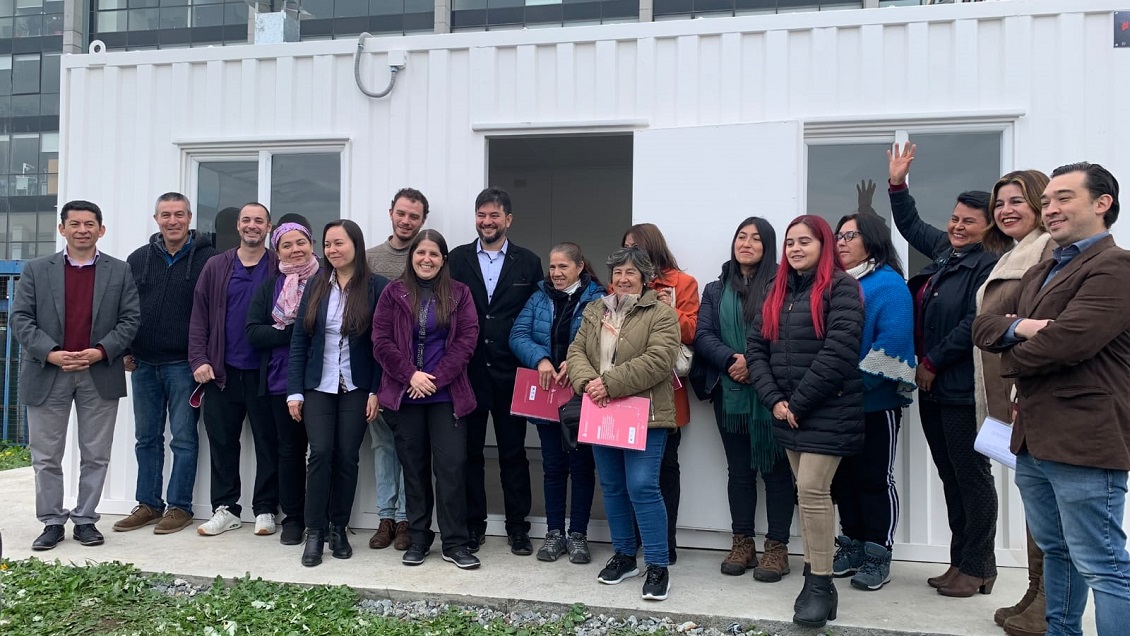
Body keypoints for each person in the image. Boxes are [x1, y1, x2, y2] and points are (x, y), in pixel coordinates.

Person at [974, 162, 1130, 636]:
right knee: (1057, 550)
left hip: (1085, 439)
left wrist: (1011, 352)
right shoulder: (1043, 267)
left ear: (1102, 204)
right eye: (1048, 201)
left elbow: (1071, 342)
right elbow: (983, 326)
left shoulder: (1115, 266)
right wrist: (1019, 326)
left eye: (1064, 198)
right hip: (1034, 440)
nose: (1052, 208)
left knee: (1101, 563)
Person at [887, 142, 1002, 596]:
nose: (956, 226)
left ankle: (979, 566)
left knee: (972, 477)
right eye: (954, 218)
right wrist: (898, 184)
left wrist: (932, 361)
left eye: (968, 221)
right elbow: (911, 224)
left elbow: (974, 322)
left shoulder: (988, 265)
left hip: (959, 388)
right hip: (933, 389)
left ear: (987, 227)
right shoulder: (946, 253)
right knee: (951, 476)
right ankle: (962, 562)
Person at [746, 215, 864, 628]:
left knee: (813, 490)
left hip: (827, 408)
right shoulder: (776, 291)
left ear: (824, 245)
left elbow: (840, 350)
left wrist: (797, 402)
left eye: (805, 242)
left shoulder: (842, 288)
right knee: (806, 492)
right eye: (790, 243)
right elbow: (756, 349)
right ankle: (818, 584)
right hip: (787, 411)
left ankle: (819, 581)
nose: (795, 249)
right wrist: (775, 400)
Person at [11, 199, 140, 550]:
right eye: (74, 223)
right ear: (62, 229)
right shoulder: (37, 269)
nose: (82, 230)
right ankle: (52, 521)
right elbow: (20, 318)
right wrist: (51, 353)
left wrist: (100, 351)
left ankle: (85, 519)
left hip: (98, 371)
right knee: (46, 455)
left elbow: (130, 319)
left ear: (101, 229)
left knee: (96, 453)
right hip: (48, 371)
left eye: (89, 224)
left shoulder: (119, 270)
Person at [567, 246, 681, 601]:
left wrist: (609, 383)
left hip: (646, 413)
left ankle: (658, 565)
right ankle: (625, 556)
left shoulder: (662, 313)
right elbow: (576, 353)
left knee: (643, 486)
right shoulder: (594, 309)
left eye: (630, 272)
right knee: (613, 486)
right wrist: (589, 384)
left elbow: (660, 360)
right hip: (602, 410)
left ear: (645, 278)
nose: (622, 278)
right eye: (617, 272)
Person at [693, 217, 796, 582]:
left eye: (756, 238)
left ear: (768, 247)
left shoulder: (786, 286)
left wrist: (755, 364)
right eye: (741, 236)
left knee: (777, 471)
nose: (747, 243)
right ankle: (742, 544)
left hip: (774, 393)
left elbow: (790, 334)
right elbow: (703, 335)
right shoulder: (716, 288)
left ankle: (778, 548)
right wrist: (731, 360)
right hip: (730, 392)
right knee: (739, 471)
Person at [372, 229, 481, 569]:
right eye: (421, 253)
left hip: (447, 396)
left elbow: (467, 340)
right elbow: (381, 341)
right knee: (414, 470)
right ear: (412, 256)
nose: (426, 259)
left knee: (451, 468)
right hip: (406, 397)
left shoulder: (460, 294)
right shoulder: (393, 293)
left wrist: (433, 380)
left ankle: (455, 543)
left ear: (443, 259)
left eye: (434, 254)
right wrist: (411, 376)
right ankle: (418, 538)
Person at [974, 170, 1053, 636]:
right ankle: (1034, 589)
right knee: (1033, 497)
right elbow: (997, 324)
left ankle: (1047, 598)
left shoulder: (1046, 251)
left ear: (1041, 204)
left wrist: (1010, 327)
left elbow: (1039, 326)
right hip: (1008, 393)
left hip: (1030, 394)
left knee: (1045, 505)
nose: (1005, 210)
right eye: (999, 203)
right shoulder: (1012, 253)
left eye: (1016, 201)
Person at [113, 193, 217, 536]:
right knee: (146, 438)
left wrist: (204, 357)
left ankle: (179, 507)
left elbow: (213, 314)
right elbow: (126, 307)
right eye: (165, 215)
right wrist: (125, 348)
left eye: (179, 215)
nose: (172, 221)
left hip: (185, 366)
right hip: (143, 364)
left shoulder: (207, 259)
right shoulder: (138, 259)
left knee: (184, 439)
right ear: (156, 219)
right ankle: (148, 504)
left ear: (189, 218)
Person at [287, 220, 387, 567]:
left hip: (357, 386)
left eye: (339, 243)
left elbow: (381, 345)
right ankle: (314, 532)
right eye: (327, 244)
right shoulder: (316, 285)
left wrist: (376, 390)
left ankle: (338, 528)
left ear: (355, 246)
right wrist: (294, 391)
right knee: (321, 453)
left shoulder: (376, 287)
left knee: (348, 456)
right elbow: (300, 340)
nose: (332, 250)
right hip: (318, 384)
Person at [448, 187, 543, 555]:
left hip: (511, 373)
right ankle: (474, 527)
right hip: (467, 374)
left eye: (494, 216)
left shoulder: (528, 261)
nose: (487, 222)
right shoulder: (456, 259)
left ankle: (518, 528)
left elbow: (536, 315)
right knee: (469, 453)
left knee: (513, 453)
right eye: (481, 215)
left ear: (508, 220)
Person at [829, 211, 917, 591]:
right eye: (839, 235)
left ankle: (878, 552)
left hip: (874, 403)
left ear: (873, 240)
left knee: (874, 479)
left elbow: (892, 343)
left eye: (851, 235)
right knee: (841, 481)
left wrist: (851, 385)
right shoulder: (832, 284)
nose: (842, 242)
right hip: (833, 404)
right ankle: (850, 545)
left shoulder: (888, 284)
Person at [509, 242, 605, 565]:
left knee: (581, 466)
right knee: (552, 466)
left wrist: (576, 365)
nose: (556, 273)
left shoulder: (597, 298)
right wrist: (541, 359)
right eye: (552, 266)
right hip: (549, 394)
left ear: (580, 267)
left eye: (563, 266)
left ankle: (577, 534)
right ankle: (554, 533)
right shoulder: (539, 297)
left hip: (582, 395)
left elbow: (606, 342)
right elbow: (518, 334)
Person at [188, 202, 280, 537]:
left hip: (266, 372)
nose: (252, 225)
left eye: (259, 220)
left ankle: (266, 509)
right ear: (238, 227)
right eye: (246, 220)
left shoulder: (279, 266)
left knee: (268, 442)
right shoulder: (216, 266)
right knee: (222, 441)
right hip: (221, 372)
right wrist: (199, 360)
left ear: (268, 226)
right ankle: (225, 509)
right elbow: (199, 317)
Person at [621, 223, 699, 564]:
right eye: (625, 249)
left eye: (635, 248)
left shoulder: (682, 283)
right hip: (624, 391)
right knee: (628, 470)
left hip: (666, 394)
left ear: (652, 248)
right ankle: (633, 540)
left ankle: (665, 544)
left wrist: (670, 308)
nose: (630, 257)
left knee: (665, 468)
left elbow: (695, 330)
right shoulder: (620, 284)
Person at [363, 187, 429, 552]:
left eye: (414, 216)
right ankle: (386, 518)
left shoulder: (427, 256)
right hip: (381, 371)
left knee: (413, 449)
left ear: (422, 221)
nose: (406, 221)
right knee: (384, 445)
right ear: (391, 213)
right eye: (401, 213)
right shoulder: (370, 260)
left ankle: (407, 519)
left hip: (421, 378)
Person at [245, 218, 319, 546]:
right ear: (277, 252)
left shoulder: (327, 281)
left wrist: (284, 334)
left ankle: (324, 516)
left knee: (325, 451)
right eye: (286, 245)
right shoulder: (270, 286)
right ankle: (294, 517)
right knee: (289, 450)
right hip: (279, 381)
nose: (295, 249)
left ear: (311, 245)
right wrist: (294, 333)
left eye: (300, 242)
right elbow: (253, 332)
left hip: (320, 380)